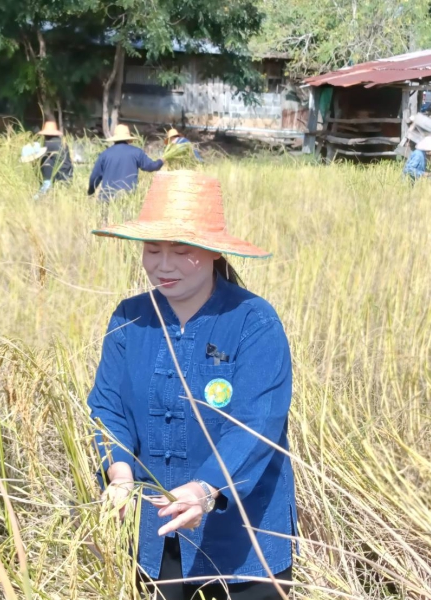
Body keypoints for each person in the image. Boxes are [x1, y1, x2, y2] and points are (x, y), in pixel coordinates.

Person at [88, 170, 296, 600]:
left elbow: (258, 423)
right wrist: (120, 471)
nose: (164, 265)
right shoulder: (129, 318)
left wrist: (206, 488)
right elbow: (108, 407)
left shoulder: (254, 322)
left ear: (214, 253)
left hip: (244, 543)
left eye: (182, 251)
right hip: (155, 532)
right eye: (153, 249)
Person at [88, 124, 164, 201]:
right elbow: (151, 166)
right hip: (126, 198)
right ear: (128, 139)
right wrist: (161, 161)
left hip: (106, 198)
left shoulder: (105, 154)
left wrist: (90, 192)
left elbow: (95, 177)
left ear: (115, 139)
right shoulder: (136, 152)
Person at [36, 120, 73, 196]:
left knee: (44, 160)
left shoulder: (48, 144)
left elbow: (38, 156)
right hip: (67, 175)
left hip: (57, 177)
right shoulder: (62, 143)